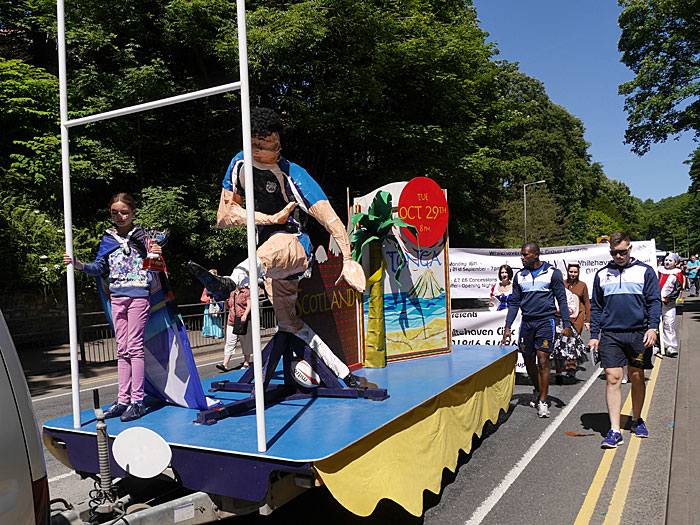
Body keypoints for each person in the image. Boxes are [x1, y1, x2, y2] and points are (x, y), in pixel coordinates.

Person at [194, 108, 366, 387]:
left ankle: (230, 282)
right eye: (258, 145)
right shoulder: (239, 165)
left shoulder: (293, 174)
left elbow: (329, 217)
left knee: (275, 246)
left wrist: (347, 258)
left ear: (279, 144)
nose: (265, 151)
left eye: (271, 146)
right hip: (268, 264)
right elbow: (224, 216)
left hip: (295, 245)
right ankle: (342, 372)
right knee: (289, 324)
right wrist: (267, 218)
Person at [63, 193, 162, 422]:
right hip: (117, 297)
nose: (119, 216)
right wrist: (78, 264)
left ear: (133, 212)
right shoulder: (108, 239)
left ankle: (138, 401)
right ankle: (123, 399)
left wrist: (156, 255)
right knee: (122, 349)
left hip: (139, 296)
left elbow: (156, 270)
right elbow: (99, 268)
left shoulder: (144, 238)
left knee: (135, 348)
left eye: (124, 212)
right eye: (114, 212)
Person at [589, 232, 661, 448]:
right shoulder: (602, 274)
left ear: (630, 249)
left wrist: (653, 327)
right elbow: (596, 307)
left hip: (638, 333)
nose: (618, 256)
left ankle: (637, 419)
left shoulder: (645, 272)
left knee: (637, 377)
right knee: (613, 378)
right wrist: (594, 336)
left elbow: (654, 301)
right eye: (614, 252)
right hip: (611, 334)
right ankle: (614, 430)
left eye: (622, 251)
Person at [501, 242, 572, 418]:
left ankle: (542, 401)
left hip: (545, 322)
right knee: (528, 360)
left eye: (525, 255)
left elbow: (562, 300)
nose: (522, 258)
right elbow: (514, 303)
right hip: (527, 323)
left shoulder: (553, 273)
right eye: (521, 254)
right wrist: (508, 327)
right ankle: (538, 388)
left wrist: (567, 324)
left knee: (543, 359)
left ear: (536, 255)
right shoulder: (519, 276)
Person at [553, 262, 590, 383]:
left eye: (575, 272)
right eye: (571, 272)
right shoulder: (561, 284)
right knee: (562, 342)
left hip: (577, 316)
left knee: (573, 342)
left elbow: (587, 303)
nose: (573, 274)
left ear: (578, 273)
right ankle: (560, 367)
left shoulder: (582, 285)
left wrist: (587, 320)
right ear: (567, 272)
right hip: (562, 318)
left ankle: (571, 366)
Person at [217, 261, 255, 372]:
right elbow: (229, 306)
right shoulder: (232, 293)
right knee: (230, 341)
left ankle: (246, 362)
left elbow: (250, 304)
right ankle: (225, 364)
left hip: (243, 319)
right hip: (232, 319)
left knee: (245, 341)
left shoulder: (246, 292)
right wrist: (224, 301)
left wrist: (245, 315)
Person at [658, 252, 683, 357]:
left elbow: (677, 290)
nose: (667, 262)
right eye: (666, 260)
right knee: (654, 325)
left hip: (669, 304)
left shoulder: (677, 274)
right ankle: (656, 344)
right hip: (655, 302)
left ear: (675, 262)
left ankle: (670, 346)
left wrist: (666, 299)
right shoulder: (658, 271)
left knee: (669, 324)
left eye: (670, 260)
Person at [201, 269, 224, 339]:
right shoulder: (206, 286)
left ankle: (217, 333)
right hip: (209, 304)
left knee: (216, 318)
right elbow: (203, 297)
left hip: (216, 304)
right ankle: (209, 333)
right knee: (209, 319)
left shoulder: (219, 284)